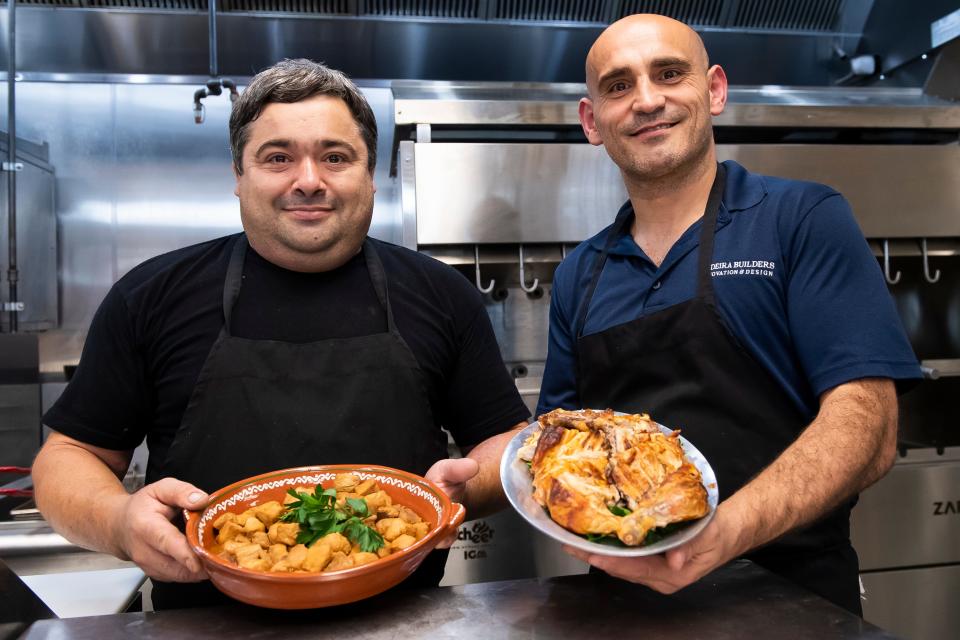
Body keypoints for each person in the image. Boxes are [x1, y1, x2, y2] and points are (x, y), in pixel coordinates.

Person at [33, 59, 530, 609]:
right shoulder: (149, 297)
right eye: (278, 158)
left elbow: (508, 441)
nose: (310, 180)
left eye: (335, 157)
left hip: (405, 618)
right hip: (202, 625)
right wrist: (120, 519)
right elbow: (68, 456)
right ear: (239, 176)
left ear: (368, 176)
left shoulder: (442, 294)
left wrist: (464, 489)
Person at [537, 14, 919, 615]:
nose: (646, 100)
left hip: (798, 599)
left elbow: (869, 426)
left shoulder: (801, 218)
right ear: (592, 122)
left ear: (714, 90)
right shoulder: (578, 275)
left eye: (669, 73)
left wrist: (714, 536)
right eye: (618, 86)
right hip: (620, 607)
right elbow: (553, 443)